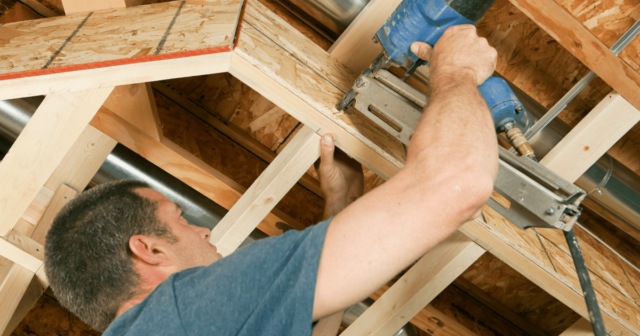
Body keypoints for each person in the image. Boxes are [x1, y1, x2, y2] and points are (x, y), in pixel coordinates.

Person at [44, 24, 498, 336]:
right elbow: (457, 184)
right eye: (180, 218)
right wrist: (456, 72)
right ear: (149, 248)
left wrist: (340, 210)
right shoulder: (185, 311)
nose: (203, 230)